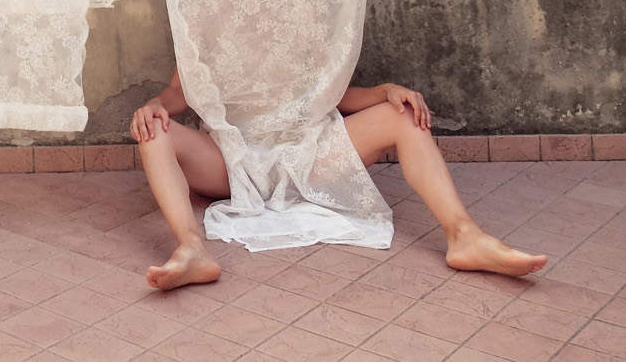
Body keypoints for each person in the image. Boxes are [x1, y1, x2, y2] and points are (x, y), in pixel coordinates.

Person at [131, 70, 548, 291]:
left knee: (403, 115)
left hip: (306, 154)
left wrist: (387, 90)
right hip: (230, 161)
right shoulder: (205, 11)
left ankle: (464, 236)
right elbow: (178, 92)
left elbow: (335, 96)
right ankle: (191, 248)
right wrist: (153, 104)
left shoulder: (304, 9)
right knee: (153, 130)